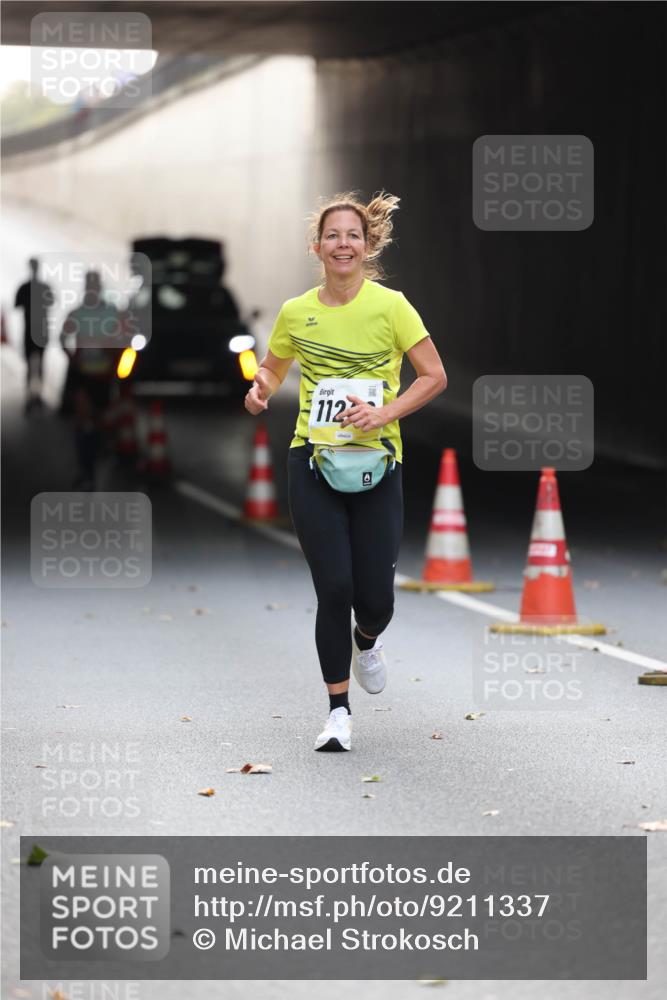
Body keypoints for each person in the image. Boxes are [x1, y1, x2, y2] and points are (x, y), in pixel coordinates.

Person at [244, 191, 447, 752]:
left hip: (378, 463)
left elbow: (434, 376)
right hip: (312, 460)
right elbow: (273, 368)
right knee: (333, 587)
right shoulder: (296, 312)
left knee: (376, 599)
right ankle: (338, 713)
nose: (342, 244)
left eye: (352, 235)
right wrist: (261, 390)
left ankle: (367, 638)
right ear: (317, 247)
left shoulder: (392, 307)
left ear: (367, 245)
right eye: (332, 235)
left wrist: (384, 413)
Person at [60, 270, 124, 490]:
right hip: (83, 378)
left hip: (104, 377)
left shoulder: (112, 314)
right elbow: (62, 337)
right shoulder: (78, 313)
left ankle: (97, 462)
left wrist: (113, 357)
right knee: (83, 422)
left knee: (99, 425)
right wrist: (72, 358)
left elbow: (124, 342)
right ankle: (86, 472)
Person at [14, 257, 55, 411]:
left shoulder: (25, 287)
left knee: (31, 365)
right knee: (39, 364)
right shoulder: (43, 287)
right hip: (39, 330)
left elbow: (17, 305)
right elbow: (51, 302)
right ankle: (35, 396)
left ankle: (32, 396)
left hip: (31, 330)